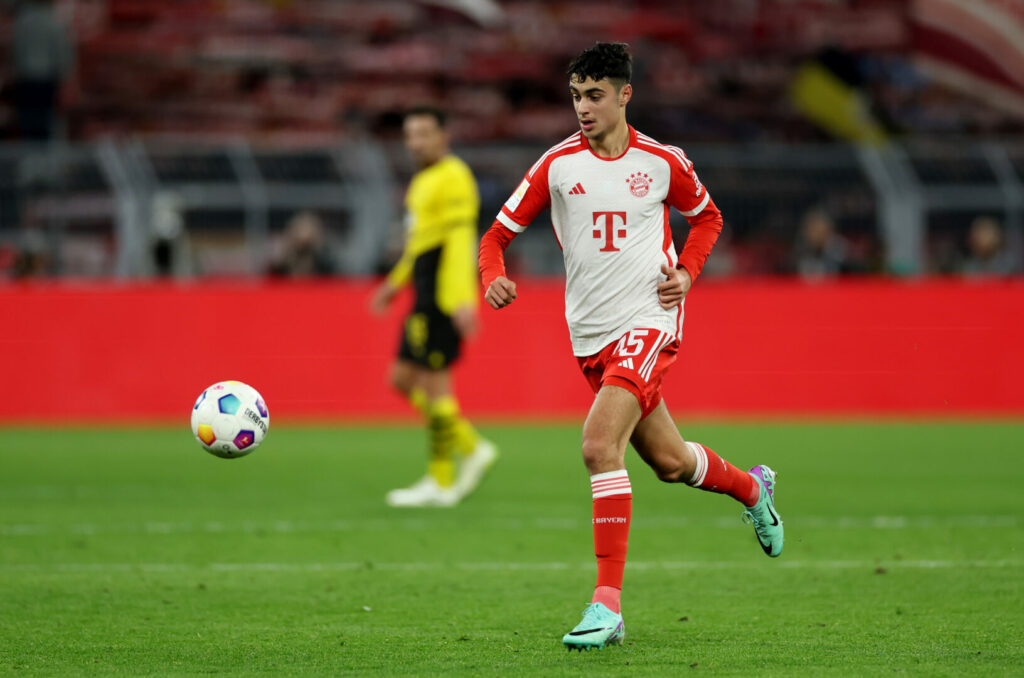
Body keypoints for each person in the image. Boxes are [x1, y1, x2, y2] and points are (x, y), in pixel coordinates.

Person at [478, 43, 784, 651]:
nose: (583, 108)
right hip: (589, 336)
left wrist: (688, 273)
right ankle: (754, 490)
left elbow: (708, 218)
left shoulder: (663, 162)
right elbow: (495, 236)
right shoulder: (556, 166)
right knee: (670, 463)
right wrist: (492, 277)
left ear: (624, 95)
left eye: (594, 95)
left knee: (598, 446)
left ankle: (607, 606)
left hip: (650, 320)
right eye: (575, 96)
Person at [371, 105, 497, 507]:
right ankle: (470, 446)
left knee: (435, 386)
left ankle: (441, 481)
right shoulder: (421, 182)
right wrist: (395, 283)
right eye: (410, 135)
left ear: (444, 136)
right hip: (423, 292)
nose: (416, 143)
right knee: (401, 379)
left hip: (442, 295)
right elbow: (418, 244)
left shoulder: (454, 176)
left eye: (424, 134)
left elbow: (460, 243)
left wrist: (462, 299)